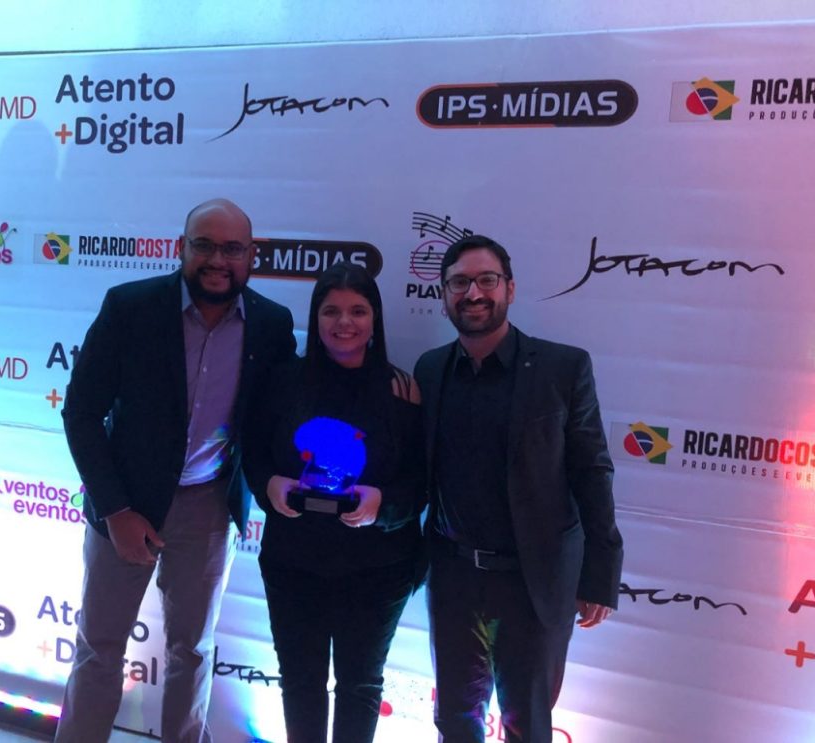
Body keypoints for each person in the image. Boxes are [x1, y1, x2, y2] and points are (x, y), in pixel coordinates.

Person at [55, 198, 296, 743]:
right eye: (204, 245)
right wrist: (115, 510)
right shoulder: (130, 307)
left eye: (232, 249)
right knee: (100, 646)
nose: (218, 260)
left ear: (251, 255)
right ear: (181, 248)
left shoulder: (271, 324)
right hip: (126, 504)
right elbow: (82, 413)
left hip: (209, 506)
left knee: (193, 649)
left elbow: (276, 415)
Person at [413, 235, 624, 743]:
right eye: (459, 283)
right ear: (443, 295)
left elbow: (592, 471)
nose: (473, 293)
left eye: (486, 280)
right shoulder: (430, 369)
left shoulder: (562, 368)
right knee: (454, 721)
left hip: (534, 582)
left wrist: (600, 574)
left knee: (527, 724)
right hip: (454, 577)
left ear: (509, 288)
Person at [243, 261, 425, 743]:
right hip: (293, 565)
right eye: (331, 311)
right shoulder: (283, 383)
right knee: (300, 682)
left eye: (358, 310)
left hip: (379, 570)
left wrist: (382, 504)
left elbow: (424, 481)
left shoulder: (403, 390)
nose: (344, 322)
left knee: (360, 686)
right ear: (316, 317)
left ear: (375, 318)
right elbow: (253, 453)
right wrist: (269, 486)